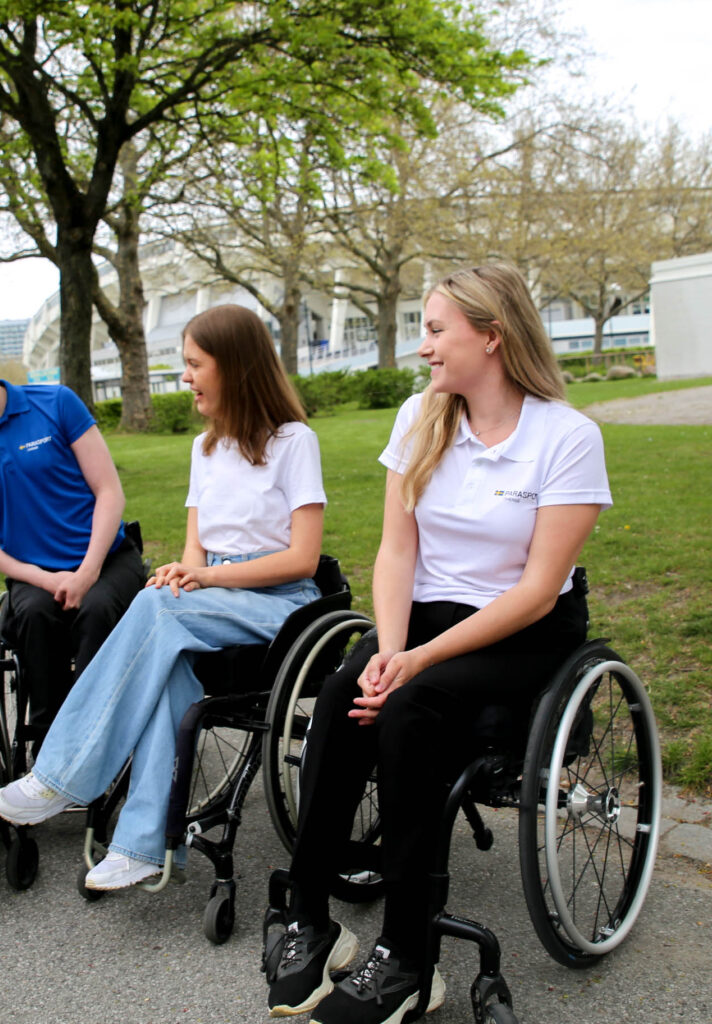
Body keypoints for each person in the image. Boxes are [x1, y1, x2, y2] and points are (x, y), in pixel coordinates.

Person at [263, 264, 612, 1024]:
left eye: (434, 329)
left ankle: (410, 959)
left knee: (411, 707)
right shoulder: (421, 417)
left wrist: (416, 662)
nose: (422, 347)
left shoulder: (566, 437)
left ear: (491, 336)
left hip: (522, 626)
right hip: (421, 612)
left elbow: (537, 588)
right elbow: (396, 553)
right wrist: (389, 648)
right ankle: (310, 916)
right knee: (342, 689)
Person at [0, 303, 327, 891]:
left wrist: (204, 581)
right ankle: (144, 845)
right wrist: (185, 574)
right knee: (167, 648)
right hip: (213, 596)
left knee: (157, 606)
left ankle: (62, 776)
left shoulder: (295, 442)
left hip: (282, 601)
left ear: (237, 368)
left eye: (196, 364)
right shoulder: (204, 449)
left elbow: (302, 558)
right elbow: (197, 549)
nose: (187, 376)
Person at [0, 311, 145, 746]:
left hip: (106, 559)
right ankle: (50, 743)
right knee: (36, 615)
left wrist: (87, 571)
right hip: (34, 574)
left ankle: (103, 737)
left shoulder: (56, 403)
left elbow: (109, 491)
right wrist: (47, 578)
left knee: (96, 610)